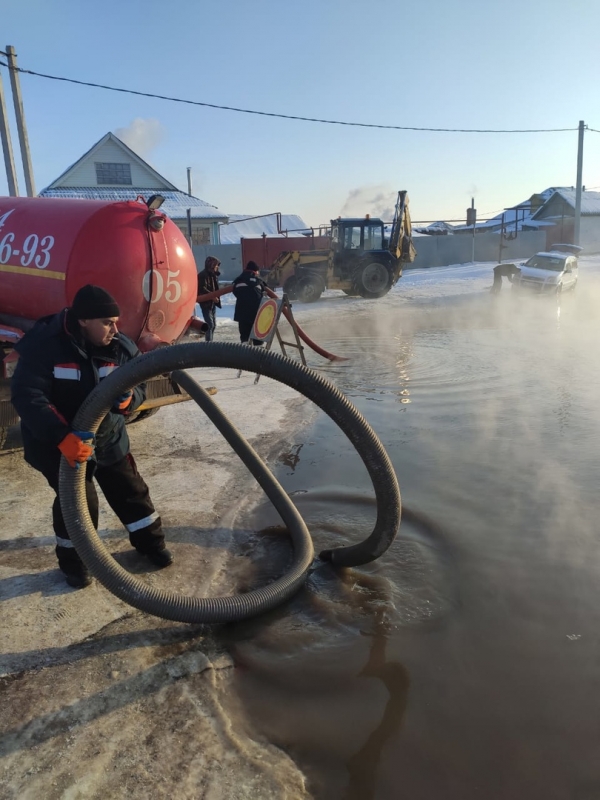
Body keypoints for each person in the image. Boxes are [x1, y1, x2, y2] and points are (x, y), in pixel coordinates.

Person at [11, 285, 173, 590]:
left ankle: (151, 544)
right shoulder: (45, 345)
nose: (116, 329)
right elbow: (27, 394)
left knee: (131, 492)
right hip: (59, 443)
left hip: (107, 436)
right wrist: (62, 437)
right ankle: (77, 563)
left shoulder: (120, 347)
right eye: (107, 323)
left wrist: (129, 401)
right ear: (83, 321)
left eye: (116, 321)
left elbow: (140, 385)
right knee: (78, 501)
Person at [232, 261, 267, 345]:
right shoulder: (259, 282)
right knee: (258, 338)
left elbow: (235, 292)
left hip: (242, 313)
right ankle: (258, 354)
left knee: (245, 338)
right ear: (255, 271)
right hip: (256, 314)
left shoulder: (238, 280)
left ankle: (245, 353)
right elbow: (264, 292)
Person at [196, 256, 221, 341]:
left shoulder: (213, 275)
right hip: (206, 303)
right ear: (211, 265)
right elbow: (202, 289)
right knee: (210, 324)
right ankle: (208, 344)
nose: (217, 267)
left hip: (212, 303)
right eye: (216, 265)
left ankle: (210, 342)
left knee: (213, 324)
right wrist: (213, 296)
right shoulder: (203, 275)